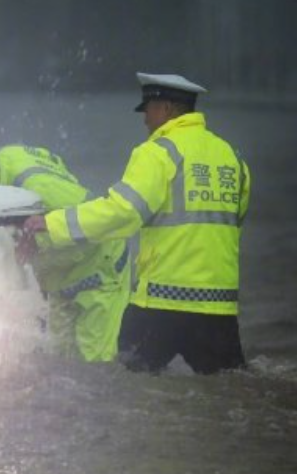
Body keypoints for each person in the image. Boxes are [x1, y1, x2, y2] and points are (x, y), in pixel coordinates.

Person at [19, 73, 251, 374]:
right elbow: (236, 219)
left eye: (149, 109)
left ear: (167, 109)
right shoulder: (232, 156)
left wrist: (53, 223)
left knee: (124, 383)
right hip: (219, 307)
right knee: (232, 389)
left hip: (162, 301)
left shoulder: (158, 152)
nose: (145, 120)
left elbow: (122, 212)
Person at [0, 132, 130, 362]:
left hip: (100, 271)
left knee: (95, 363)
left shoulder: (38, 187)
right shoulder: (7, 159)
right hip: (64, 276)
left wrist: (38, 240)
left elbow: (96, 221)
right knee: (60, 361)